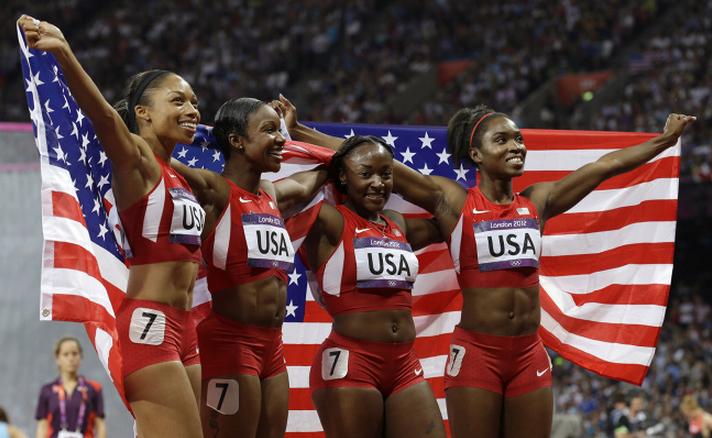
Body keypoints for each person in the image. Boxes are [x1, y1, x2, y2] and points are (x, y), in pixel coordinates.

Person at [280, 95, 695, 438]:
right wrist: (300, 133)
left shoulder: (539, 201)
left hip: (530, 352)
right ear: (476, 154)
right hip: (477, 353)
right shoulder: (453, 202)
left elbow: (603, 168)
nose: (517, 145)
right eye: (503, 140)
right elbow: (376, 164)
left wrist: (663, 141)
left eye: (518, 138)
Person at [18, 16, 205, 438]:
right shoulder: (136, 161)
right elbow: (104, 118)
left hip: (185, 327)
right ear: (143, 114)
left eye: (194, 101)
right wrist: (64, 51)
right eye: (177, 101)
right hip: (151, 325)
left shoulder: (177, 175)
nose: (192, 110)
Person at [170, 97, 329, 438]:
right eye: (269, 130)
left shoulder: (271, 193)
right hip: (230, 343)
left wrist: (300, 130)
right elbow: (155, 158)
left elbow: (332, 167)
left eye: (279, 131)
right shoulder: (215, 190)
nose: (280, 140)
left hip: (274, 347)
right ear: (237, 141)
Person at [277, 123, 447, 437]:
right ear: (342, 175)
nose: (378, 183)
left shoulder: (397, 223)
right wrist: (304, 137)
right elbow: (284, 198)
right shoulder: (329, 220)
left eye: (386, 174)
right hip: (351, 363)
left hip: (405, 364)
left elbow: (448, 215)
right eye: (365, 173)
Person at [35, 336, 106, 438]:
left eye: (74, 354)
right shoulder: (47, 390)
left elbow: (100, 424)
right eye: (65, 354)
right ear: (57, 358)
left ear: (80, 357)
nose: (71, 358)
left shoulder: (93, 388)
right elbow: (42, 426)